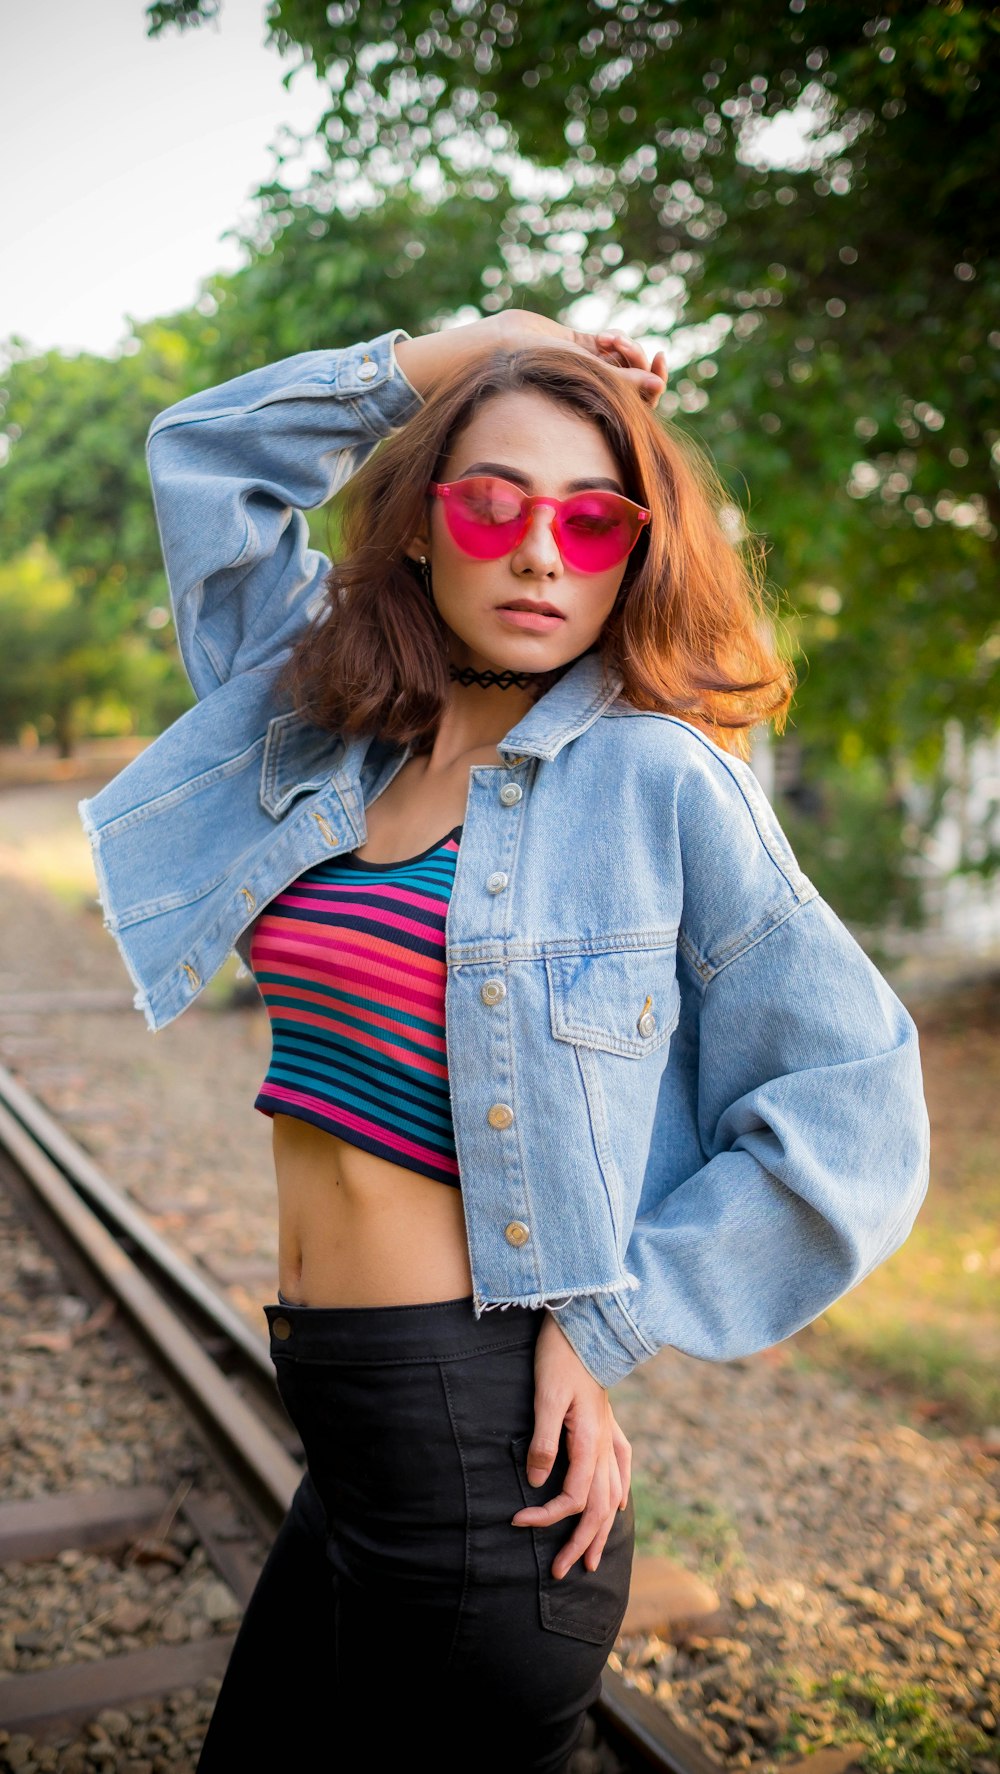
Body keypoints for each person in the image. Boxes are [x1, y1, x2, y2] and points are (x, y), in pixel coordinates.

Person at [79, 309, 930, 1772]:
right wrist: (491, 344)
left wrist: (609, 1319)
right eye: (494, 501)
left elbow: (854, 1097)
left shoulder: (658, 777)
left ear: (634, 554)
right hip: (345, 1445)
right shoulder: (328, 721)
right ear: (422, 528)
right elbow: (203, 459)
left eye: (595, 520)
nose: (543, 550)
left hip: (484, 1469)